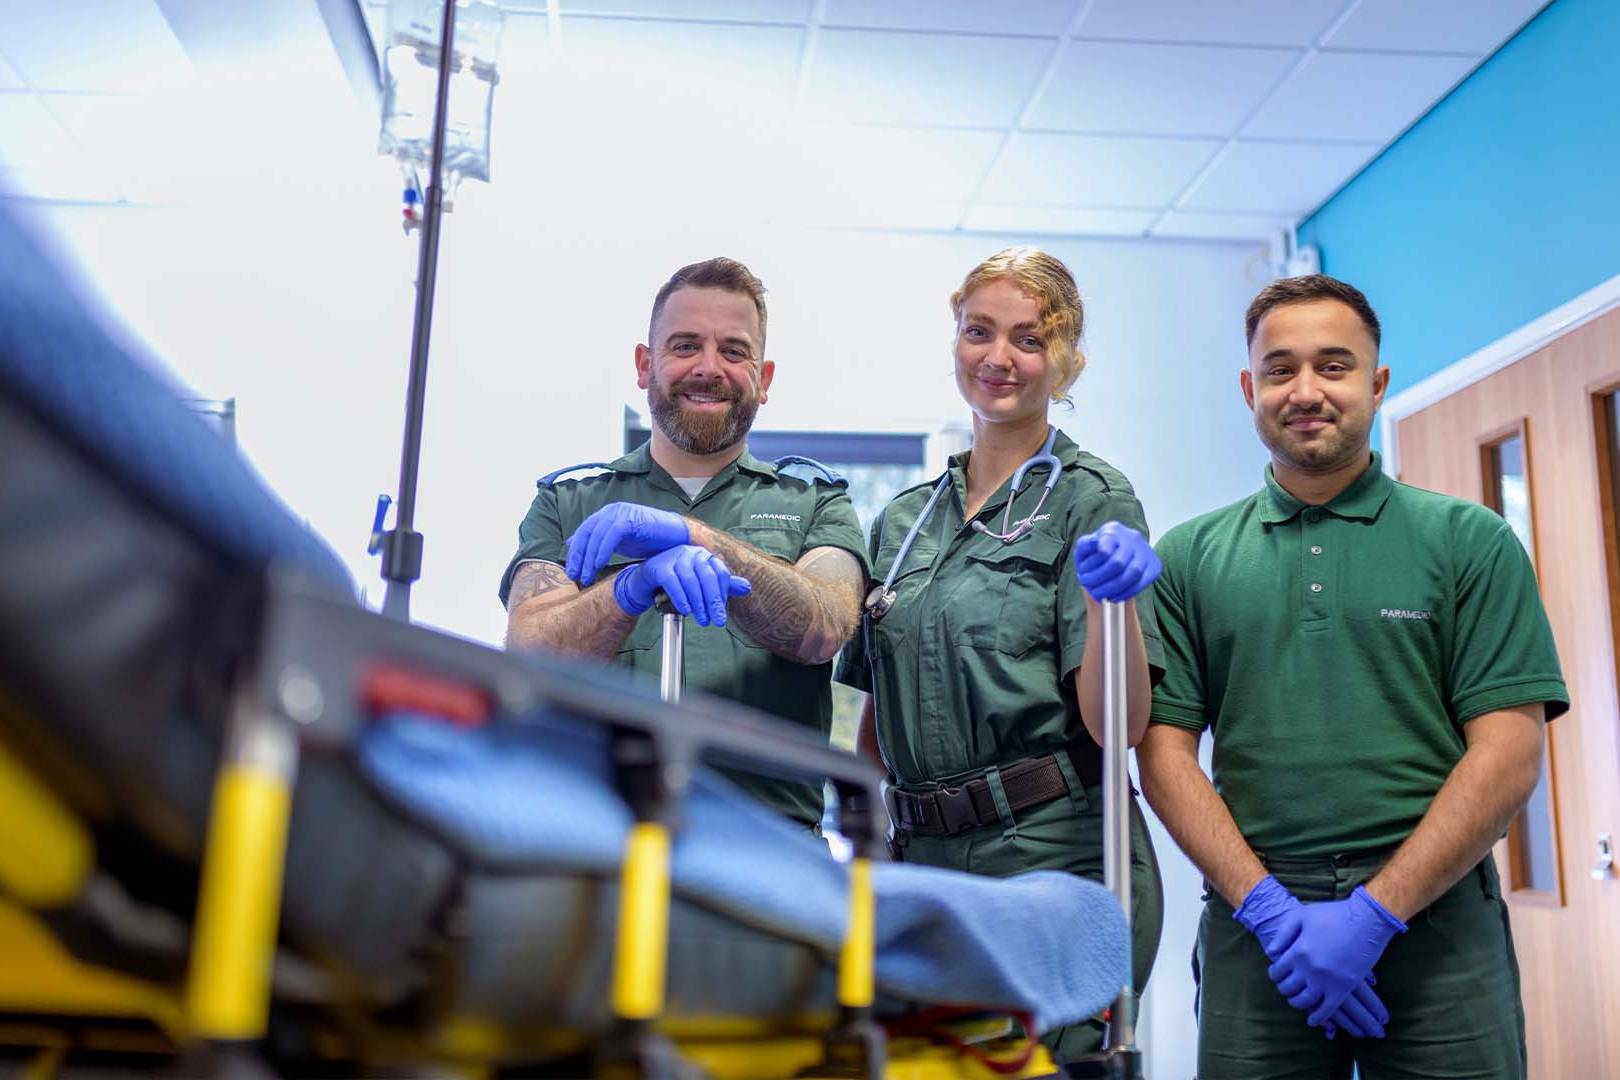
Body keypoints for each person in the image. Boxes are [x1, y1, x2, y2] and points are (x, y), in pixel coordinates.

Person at [1137, 274, 1569, 1078]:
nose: (1306, 390)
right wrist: (1270, 914)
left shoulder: (1469, 543)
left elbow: (1509, 754)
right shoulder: (1189, 558)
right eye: (1279, 369)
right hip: (1255, 925)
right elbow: (1163, 755)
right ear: (1248, 389)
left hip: (1437, 923)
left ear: (1376, 384)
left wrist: (1377, 915)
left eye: (1334, 366)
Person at [834, 247, 1165, 1061]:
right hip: (923, 863)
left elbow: (1116, 726)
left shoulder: (1093, 498)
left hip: (1051, 853)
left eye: (1028, 338)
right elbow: (876, 733)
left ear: (1065, 359)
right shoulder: (906, 519)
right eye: (978, 331)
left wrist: (1108, 600)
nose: (999, 357)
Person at [499, 257, 869, 828]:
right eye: (685, 345)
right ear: (645, 365)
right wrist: (627, 588)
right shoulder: (567, 503)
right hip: (594, 832)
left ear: (764, 379)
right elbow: (531, 652)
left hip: (766, 846)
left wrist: (699, 538)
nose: (708, 367)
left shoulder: (816, 502)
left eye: (734, 351)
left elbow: (824, 625)